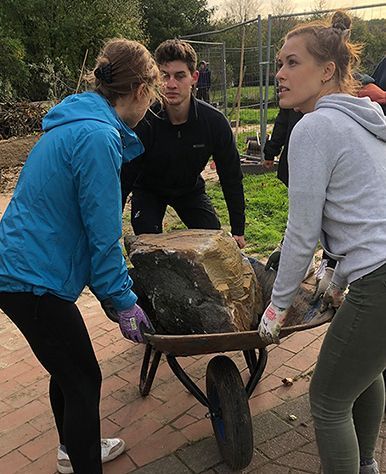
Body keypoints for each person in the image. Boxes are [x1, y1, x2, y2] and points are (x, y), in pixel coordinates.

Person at [0, 39, 160, 474]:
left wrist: (112, 291)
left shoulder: (79, 122)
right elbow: (103, 234)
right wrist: (123, 300)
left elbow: (81, 228)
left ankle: (72, 450)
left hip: (24, 270)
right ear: (143, 90)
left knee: (66, 370)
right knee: (83, 378)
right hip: (29, 278)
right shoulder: (97, 136)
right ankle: (80, 460)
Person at [257, 10, 386, 474]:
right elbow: (363, 213)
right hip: (377, 271)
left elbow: (301, 232)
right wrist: (336, 273)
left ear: (327, 70)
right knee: (365, 373)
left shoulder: (314, 127)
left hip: (380, 279)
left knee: (328, 399)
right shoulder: (364, 119)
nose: (280, 73)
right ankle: (367, 465)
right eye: (278, 63)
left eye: (292, 62)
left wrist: (276, 305)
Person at [121, 39, 246, 249]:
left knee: (216, 246)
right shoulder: (144, 120)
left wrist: (238, 229)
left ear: (194, 78)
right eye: (164, 76)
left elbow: (231, 175)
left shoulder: (214, 122)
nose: (171, 84)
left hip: (189, 190)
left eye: (180, 76)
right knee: (147, 249)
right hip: (148, 190)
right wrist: (111, 227)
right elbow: (125, 175)